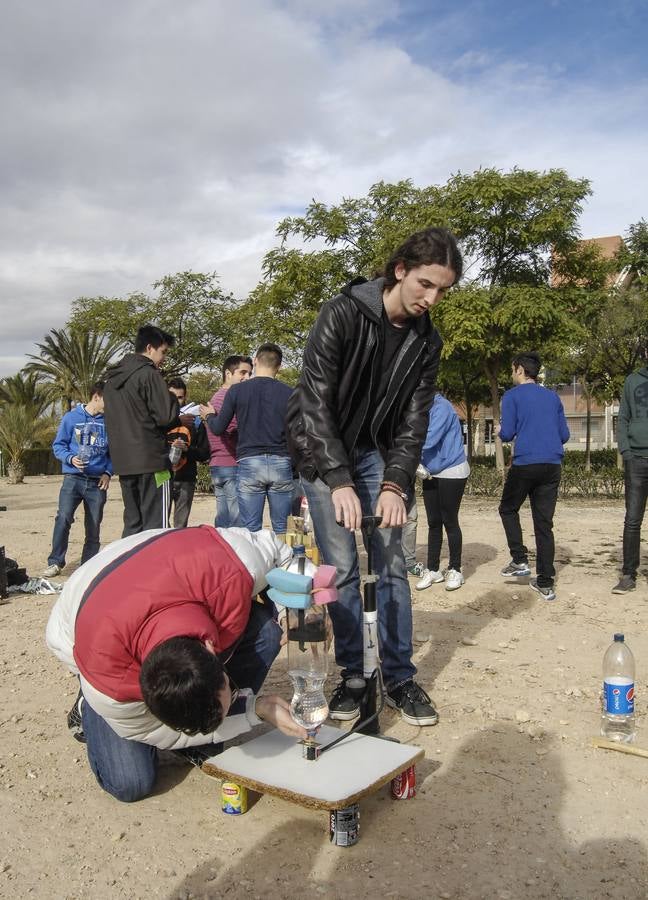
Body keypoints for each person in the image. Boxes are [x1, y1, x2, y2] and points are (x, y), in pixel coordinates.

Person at [286, 227, 462, 726]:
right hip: (325, 454)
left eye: (443, 290)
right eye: (426, 284)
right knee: (340, 567)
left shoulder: (428, 341)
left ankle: (399, 677)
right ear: (400, 270)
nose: (432, 298)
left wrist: (395, 483)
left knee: (391, 562)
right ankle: (353, 677)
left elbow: (414, 420)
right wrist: (338, 478)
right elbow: (315, 399)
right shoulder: (341, 312)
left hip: (377, 457)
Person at [45, 525, 307, 802]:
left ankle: (204, 722)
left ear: (212, 649)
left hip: (175, 563)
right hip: (84, 629)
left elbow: (283, 554)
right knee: (130, 782)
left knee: (266, 632)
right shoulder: (110, 686)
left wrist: (297, 610)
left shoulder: (230, 565)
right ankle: (87, 705)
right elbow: (153, 730)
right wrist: (252, 711)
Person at [498, 351, 570, 602]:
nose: (511, 373)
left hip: (526, 462)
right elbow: (564, 435)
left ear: (519, 369)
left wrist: (499, 429)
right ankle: (546, 583)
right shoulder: (552, 397)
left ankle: (519, 560)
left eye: (512, 369)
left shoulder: (511, 396)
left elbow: (507, 434)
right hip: (552, 464)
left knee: (508, 509)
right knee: (543, 524)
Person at [201, 344, 294, 535]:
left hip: (249, 461)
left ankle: (253, 565)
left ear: (256, 360)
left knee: (250, 530)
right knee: (282, 529)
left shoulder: (236, 391)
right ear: (279, 366)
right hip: (281, 461)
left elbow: (218, 428)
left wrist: (209, 416)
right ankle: (283, 563)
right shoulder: (290, 393)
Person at [103, 324, 180, 537]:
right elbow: (166, 417)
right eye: (163, 352)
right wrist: (172, 399)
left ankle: (132, 569)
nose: (163, 358)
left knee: (133, 525)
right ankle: (155, 571)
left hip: (125, 464)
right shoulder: (149, 374)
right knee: (157, 527)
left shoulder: (111, 381)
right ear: (149, 348)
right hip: (154, 462)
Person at [42, 382, 112, 577]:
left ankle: (87, 566)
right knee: (63, 518)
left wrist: (108, 472)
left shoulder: (110, 422)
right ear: (96, 396)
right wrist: (70, 458)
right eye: (108, 398)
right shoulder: (71, 418)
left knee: (94, 524)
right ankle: (55, 561)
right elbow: (58, 446)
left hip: (98, 482)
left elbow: (113, 454)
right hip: (73, 479)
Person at [414, 392, 470, 592]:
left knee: (449, 520)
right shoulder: (418, 407)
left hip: (452, 469)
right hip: (430, 470)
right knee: (433, 522)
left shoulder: (442, 407)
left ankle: (455, 568)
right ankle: (433, 569)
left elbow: (428, 440)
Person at [612, 364, 648, 594]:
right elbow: (623, 417)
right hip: (636, 459)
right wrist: (625, 451)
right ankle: (628, 574)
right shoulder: (632, 380)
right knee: (633, 520)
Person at [206, 355, 253, 527]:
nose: (247, 378)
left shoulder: (216, 397)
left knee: (223, 519)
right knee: (237, 521)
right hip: (232, 464)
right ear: (227, 373)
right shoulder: (230, 398)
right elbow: (234, 431)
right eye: (242, 372)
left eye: (249, 373)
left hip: (217, 465)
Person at [166, 377, 210, 528]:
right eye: (172, 397)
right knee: (160, 526)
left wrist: (187, 450)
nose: (176, 401)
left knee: (180, 526)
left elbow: (204, 453)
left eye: (180, 397)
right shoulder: (158, 420)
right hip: (163, 478)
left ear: (185, 397)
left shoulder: (195, 421)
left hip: (186, 478)